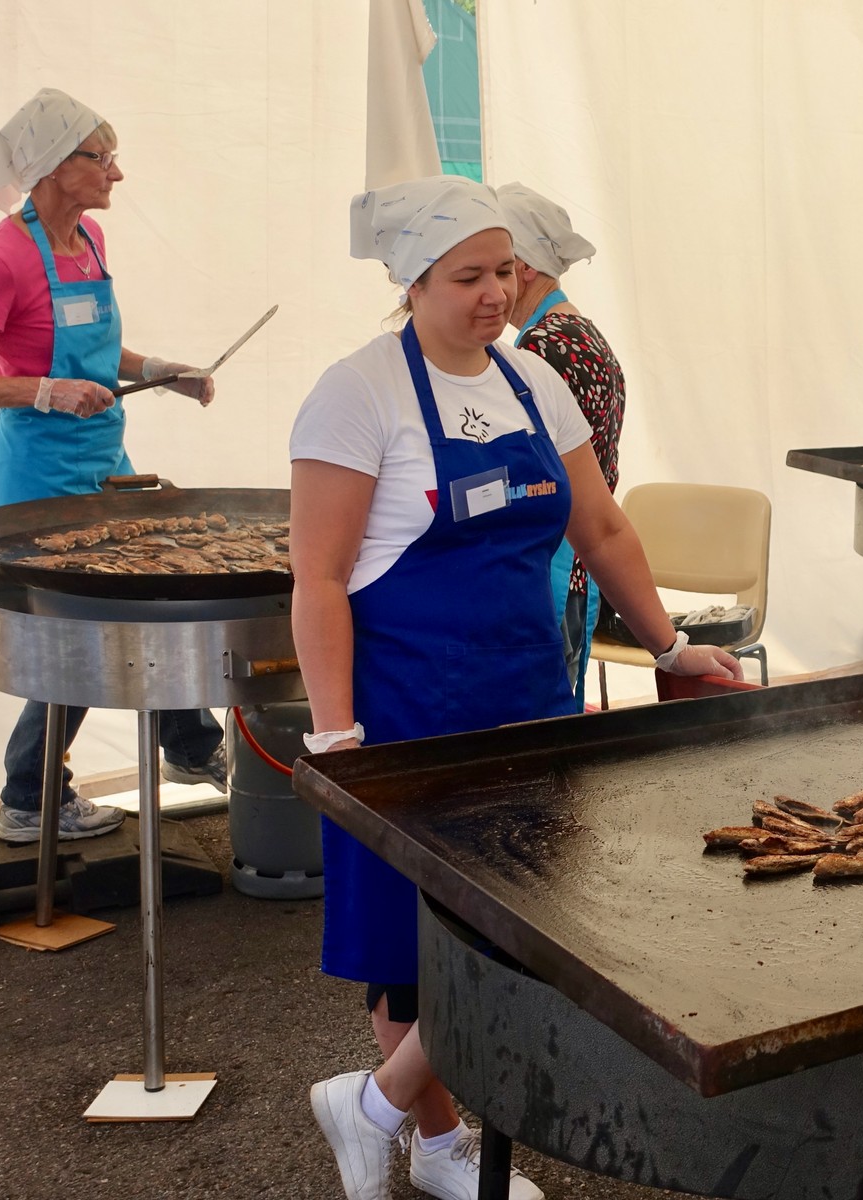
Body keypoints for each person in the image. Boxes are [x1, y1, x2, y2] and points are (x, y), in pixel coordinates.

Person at [292, 176, 740, 1200]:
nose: (494, 293)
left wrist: (670, 646)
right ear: (413, 282)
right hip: (406, 711)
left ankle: (372, 1105)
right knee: (412, 944)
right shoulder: (358, 393)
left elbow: (603, 528)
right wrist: (335, 735)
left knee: (540, 930)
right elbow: (317, 578)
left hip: (528, 695)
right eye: (468, 277)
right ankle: (438, 1141)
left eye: (503, 271)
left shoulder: (535, 380)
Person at [0, 88, 225, 844]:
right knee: (85, 626)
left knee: (144, 592)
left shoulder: (88, 239)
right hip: (40, 472)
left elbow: (93, 345)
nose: (116, 173)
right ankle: (33, 796)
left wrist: (158, 370)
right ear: (56, 166)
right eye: (102, 158)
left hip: (105, 459)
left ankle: (188, 744)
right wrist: (44, 391)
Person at [496, 182, 623, 709]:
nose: (491, 287)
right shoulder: (584, 334)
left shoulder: (543, 347)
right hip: (579, 569)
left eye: (498, 267)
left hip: (553, 565)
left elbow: (531, 472)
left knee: (539, 721)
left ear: (524, 267)